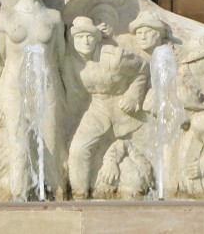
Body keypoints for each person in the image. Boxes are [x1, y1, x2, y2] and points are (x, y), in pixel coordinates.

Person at [0, 0, 68, 200]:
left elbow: (60, 55)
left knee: (51, 141)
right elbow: (2, 57)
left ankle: (56, 196)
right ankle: (18, 197)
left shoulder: (55, 18)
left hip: (48, 84)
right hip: (15, 86)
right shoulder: (6, 18)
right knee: (18, 142)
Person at [63, 16, 148, 199]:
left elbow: (142, 68)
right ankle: (79, 196)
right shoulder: (70, 62)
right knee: (78, 149)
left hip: (122, 109)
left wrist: (134, 95)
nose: (85, 41)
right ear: (72, 40)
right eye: (80, 37)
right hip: (96, 108)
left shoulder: (113, 56)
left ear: (96, 38)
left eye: (90, 37)